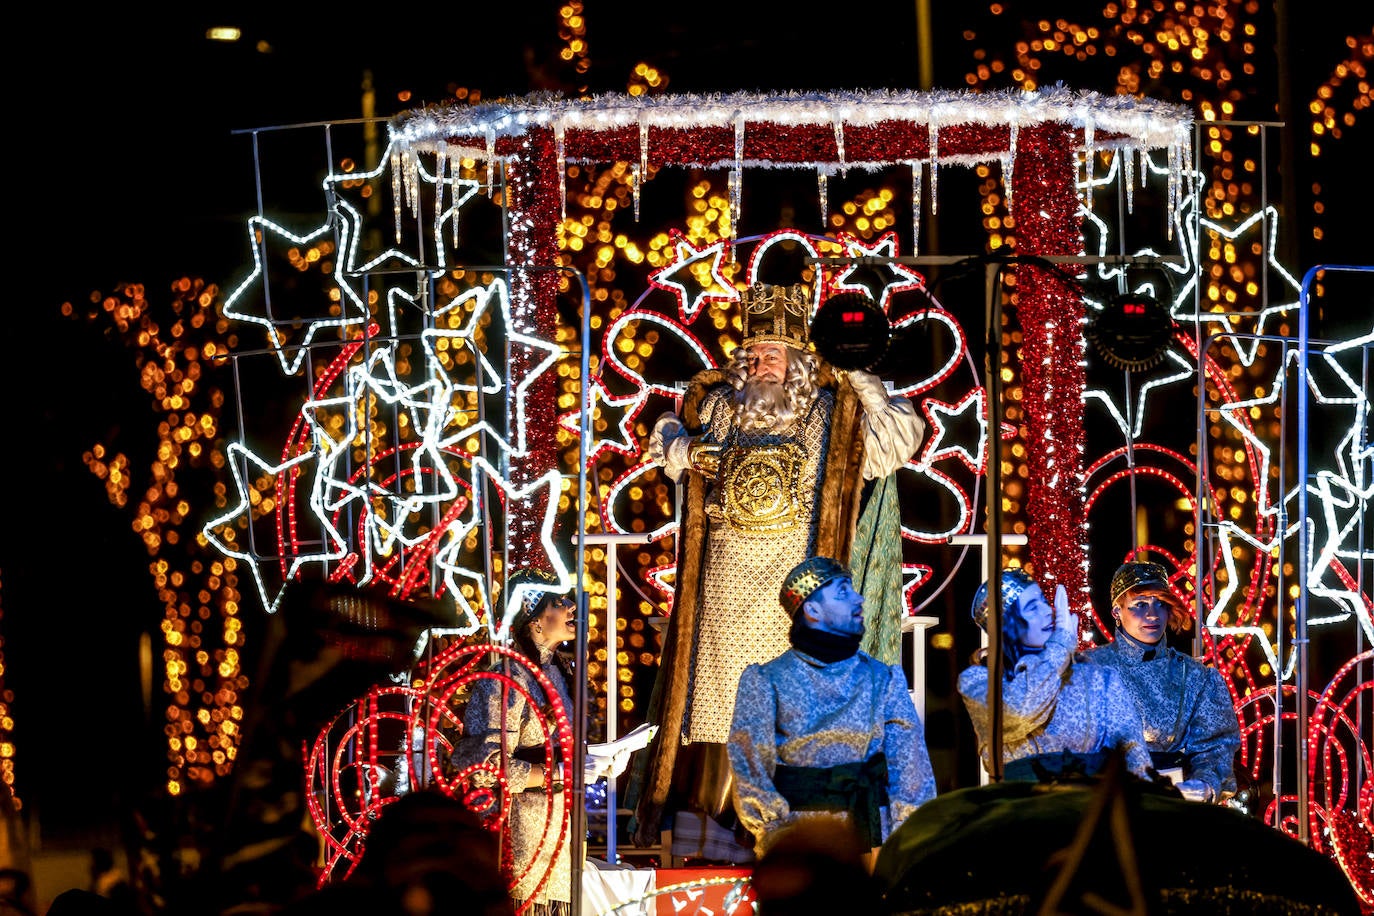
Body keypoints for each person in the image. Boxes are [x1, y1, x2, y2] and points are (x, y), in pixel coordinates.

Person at [630, 281, 925, 850]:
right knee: (719, 704)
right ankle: (712, 833)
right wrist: (686, 449)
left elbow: (897, 441)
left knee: (789, 708)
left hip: (792, 590)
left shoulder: (829, 413)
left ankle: (794, 835)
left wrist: (856, 370)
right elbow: (665, 437)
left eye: (774, 352)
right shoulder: (719, 407)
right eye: (754, 352)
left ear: (799, 361)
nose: (760, 362)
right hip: (722, 592)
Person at [727, 556, 938, 862]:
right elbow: (750, 764)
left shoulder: (883, 678)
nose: (859, 599)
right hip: (797, 841)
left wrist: (907, 839)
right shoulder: (766, 680)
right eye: (842, 592)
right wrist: (777, 834)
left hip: (872, 837)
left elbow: (910, 765)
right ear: (812, 610)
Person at [450, 569, 580, 916]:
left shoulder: (560, 673)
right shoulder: (506, 679)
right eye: (559, 602)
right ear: (534, 621)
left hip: (560, 843)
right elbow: (484, 768)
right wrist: (554, 774)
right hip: (521, 839)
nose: (571, 608)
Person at [958, 568, 1153, 782]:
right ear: (1007, 625)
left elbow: (1134, 755)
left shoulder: (1099, 679)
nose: (1047, 612)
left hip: (1088, 806)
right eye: (1033, 608)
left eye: (1043, 601)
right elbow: (1019, 712)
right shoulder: (978, 681)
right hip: (1020, 807)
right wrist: (1060, 644)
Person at [1079, 560, 1241, 803]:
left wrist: (1206, 784)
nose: (1152, 614)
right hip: (1102, 805)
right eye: (1140, 604)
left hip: (1172, 807)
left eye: (1160, 604)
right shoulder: (1089, 668)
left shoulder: (1195, 677)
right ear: (1117, 612)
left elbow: (1215, 746)